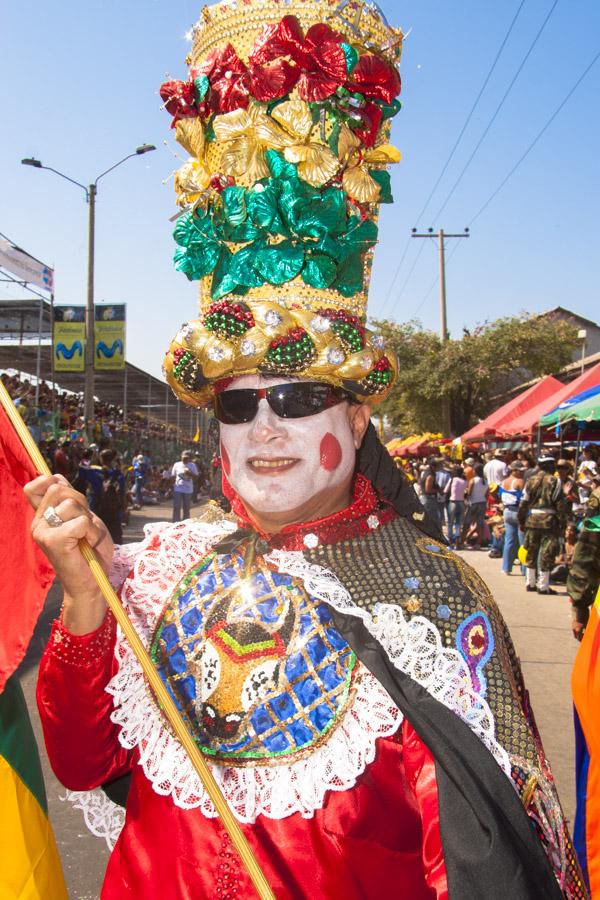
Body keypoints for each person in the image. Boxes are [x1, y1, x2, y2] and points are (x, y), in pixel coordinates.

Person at [27, 4, 583, 897]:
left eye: (297, 396)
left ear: (359, 419)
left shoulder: (434, 596)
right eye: (239, 405)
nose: (266, 429)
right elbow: (82, 758)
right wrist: (88, 603)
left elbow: (481, 865)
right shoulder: (159, 570)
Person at [518, 456, 568, 594]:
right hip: (549, 521)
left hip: (532, 519)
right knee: (547, 553)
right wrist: (563, 523)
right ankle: (543, 586)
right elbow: (560, 504)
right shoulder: (555, 481)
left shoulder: (530, 480)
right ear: (550, 466)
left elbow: (523, 503)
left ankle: (530, 582)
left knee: (531, 552)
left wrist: (521, 521)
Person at [499, 462, 525, 576]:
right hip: (518, 511)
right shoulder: (520, 482)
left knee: (509, 541)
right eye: (520, 470)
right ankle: (525, 569)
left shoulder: (504, 482)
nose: (522, 472)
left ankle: (506, 567)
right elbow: (525, 498)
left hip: (506, 511)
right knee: (523, 542)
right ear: (514, 470)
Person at [462, 464, 489, 550]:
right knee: (480, 523)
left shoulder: (473, 480)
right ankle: (478, 543)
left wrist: (465, 494)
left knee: (467, 523)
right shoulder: (485, 481)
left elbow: (469, 493)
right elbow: (486, 494)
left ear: (475, 471)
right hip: (482, 503)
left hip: (473, 503)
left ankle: (462, 541)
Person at [171, 450, 199, 522]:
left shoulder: (192, 465)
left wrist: (190, 473)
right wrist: (171, 487)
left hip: (188, 489)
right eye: (184, 457)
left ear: (189, 458)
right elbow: (173, 476)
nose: (185, 459)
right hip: (178, 489)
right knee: (176, 507)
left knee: (186, 507)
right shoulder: (176, 464)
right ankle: (175, 522)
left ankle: (185, 523)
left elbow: (196, 477)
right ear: (181, 457)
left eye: (187, 458)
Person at [444, 464, 468, 549]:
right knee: (458, 523)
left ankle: (450, 543)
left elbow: (445, 490)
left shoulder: (452, 480)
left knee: (450, 523)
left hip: (452, 502)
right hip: (461, 502)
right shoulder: (464, 481)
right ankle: (458, 543)